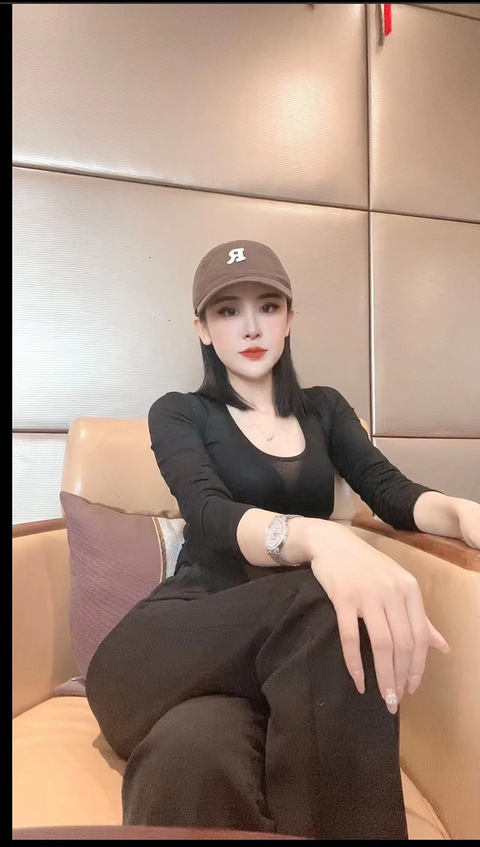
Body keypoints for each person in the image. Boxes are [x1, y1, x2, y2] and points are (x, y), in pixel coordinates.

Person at [86, 240, 480, 840]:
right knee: (328, 596)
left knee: (188, 755)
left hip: (288, 671)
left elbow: (391, 491)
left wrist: (462, 511)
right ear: (202, 328)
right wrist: (321, 539)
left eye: (268, 307)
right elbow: (209, 513)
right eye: (228, 311)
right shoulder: (181, 412)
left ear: (290, 318)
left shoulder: (324, 410)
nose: (251, 326)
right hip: (174, 643)